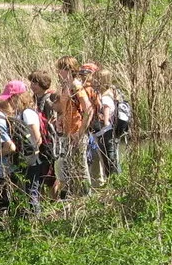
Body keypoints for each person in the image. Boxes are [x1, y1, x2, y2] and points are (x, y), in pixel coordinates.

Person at [1, 80, 44, 216]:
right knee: (28, 191)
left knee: (32, 192)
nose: (9, 102)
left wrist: (30, 157)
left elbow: (37, 138)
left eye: (10, 99)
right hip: (27, 159)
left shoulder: (27, 114)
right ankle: (30, 220)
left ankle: (36, 222)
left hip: (32, 160)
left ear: (16, 97)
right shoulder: (20, 113)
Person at [55, 56, 94, 197]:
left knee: (81, 168)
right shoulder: (65, 86)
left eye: (61, 69)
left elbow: (89, 109)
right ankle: (75, 197)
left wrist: (80, 132)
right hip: (67, 134)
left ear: (68, 69)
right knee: (69, 168)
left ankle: (87, 198)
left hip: (76, 134)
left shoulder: (76, 86)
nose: (58, 72)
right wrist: (60, 119)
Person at [28, 69, 60, 199]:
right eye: (31, 82)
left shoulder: (50, 98)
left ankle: (54, 199)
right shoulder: (33, 99)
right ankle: (43, 200)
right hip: (38, 140)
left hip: (49, 141)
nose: (32, 85)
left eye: (35, 82)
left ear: (43, 83)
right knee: (41, 173)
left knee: (50, 173)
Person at [90, 68, 123, 180]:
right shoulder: (110, 94)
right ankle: (114, 182)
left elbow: (106, 120)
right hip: (108, 133)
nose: (94, 82)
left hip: (106, 134)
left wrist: (98, 117)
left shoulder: (105, 99)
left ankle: (114, 183)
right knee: (111, 160)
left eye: (96, 80)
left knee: (110, 161)